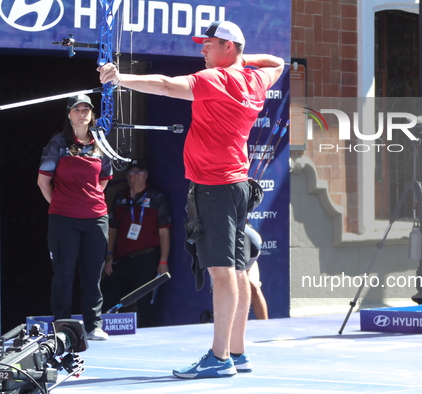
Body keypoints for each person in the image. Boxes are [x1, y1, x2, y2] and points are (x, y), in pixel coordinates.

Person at [98, 20, 283, 378]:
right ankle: (238, 352)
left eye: (210, 44)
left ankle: (219, 358)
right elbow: (277, 63)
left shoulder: (215, 79)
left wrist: (120, 79)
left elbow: (167, 86)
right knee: (239, 269)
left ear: (228, 47)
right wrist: (241, 61)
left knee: (223, 271)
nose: (202, 51)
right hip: (237, 184)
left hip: (215, 187)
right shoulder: (255, 80)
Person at [37, 95, 112, 341]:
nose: (82, 114)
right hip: (64, 219)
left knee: (93, 273)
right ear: (69, 114)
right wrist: (62, 205)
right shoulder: (57, 143)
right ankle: (63, 326)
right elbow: (43, 181)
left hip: (96, 218)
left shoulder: (100, 142)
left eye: (86, 109)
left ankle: (93, 325)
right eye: (77, 109)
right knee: (64, 272)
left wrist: (87, 202)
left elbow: (102, 181)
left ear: (91, 114)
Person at [102, 158, 171, 327]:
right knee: (108, 296)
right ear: (127, 176)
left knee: (145, 303)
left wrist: (163, 261)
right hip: (123, 258)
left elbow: (164, 232)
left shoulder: (157, 197)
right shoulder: (120, 197)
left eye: (139, 172)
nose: (136, 175)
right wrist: (109, 257)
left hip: (147, 258)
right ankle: (104, 331)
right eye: (132, 172)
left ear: (146, 175)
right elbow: (112, 229)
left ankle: (149, 337)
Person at [244, 221, 268, 320]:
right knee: (225, 290)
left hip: (244, 239)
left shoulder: (251, 240)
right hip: (220, 242)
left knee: (253, 287)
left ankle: (265, 326)